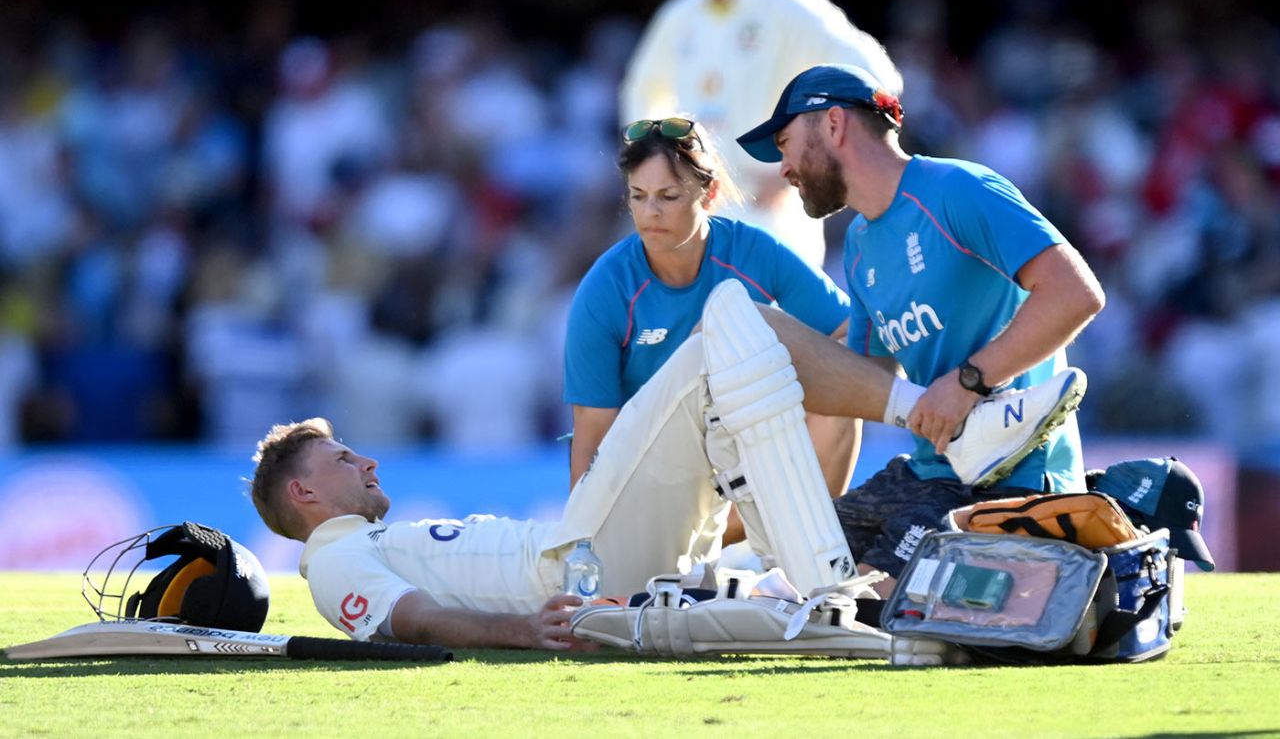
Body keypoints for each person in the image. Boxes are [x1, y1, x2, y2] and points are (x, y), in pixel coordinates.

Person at [250, 279, 1084, 650]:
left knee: (730, 376)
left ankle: (814, 566)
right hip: (583, 562)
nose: (363, 458)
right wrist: (521, 631)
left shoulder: (365, 541)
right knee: (727, 316)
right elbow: (409, 620)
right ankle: (835, 557)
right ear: (303, 492)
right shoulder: (331, 559)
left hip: (597, 557)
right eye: (338, 456)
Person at [735, 62, 1106, 592]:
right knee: (792, 578)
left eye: (786, 142)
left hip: (1013, 479)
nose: (785, 168)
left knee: (856, 603)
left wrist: (968, 381)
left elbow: (1076, 294)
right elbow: (861, 382)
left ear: (834, 125)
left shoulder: (958, 189)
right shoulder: (860, 244)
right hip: (929, 474)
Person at [565, 116, 858, 515]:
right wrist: (583, 544)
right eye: (638, 196)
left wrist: (792, 384)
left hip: (748, 456)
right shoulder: (606, 288)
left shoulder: (755, 250)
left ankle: (813, 555)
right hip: (653, 480)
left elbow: (852, 331)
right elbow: (593, 429)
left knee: (839, 400)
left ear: (710, 193)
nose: (650, 211)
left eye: (668, 196)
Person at [620, 0, 901, 269]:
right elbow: (642, 91)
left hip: (770, 209)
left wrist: (808, 159)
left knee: (774, 327)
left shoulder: (791, 6)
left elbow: (877, 79)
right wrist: (660, 171)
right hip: (699, 209)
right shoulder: (679, 15)